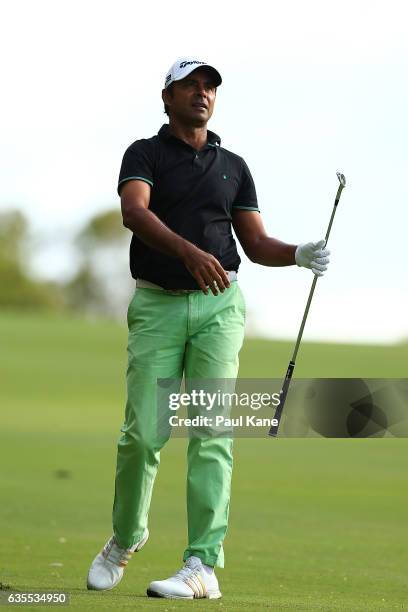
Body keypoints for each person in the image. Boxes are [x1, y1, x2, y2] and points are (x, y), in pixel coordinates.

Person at [86, 57, 330, 600]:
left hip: (220, 309)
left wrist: (299, 253)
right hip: (157, 305)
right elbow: (134, 212)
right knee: (144, 434)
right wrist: (191, 252)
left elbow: (256, 244)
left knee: (212, 431)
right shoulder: (144, 153)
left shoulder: (234, 166)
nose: (202, 94)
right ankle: (125, 538)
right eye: (190, 85)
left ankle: (202, 565)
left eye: (209, 88)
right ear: (167, 96)